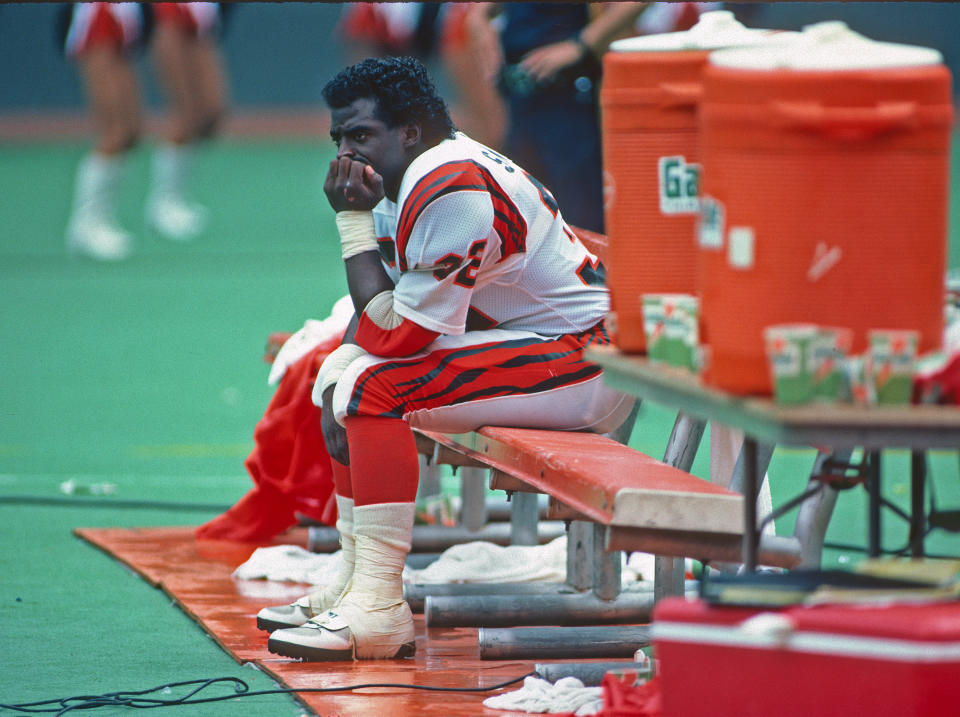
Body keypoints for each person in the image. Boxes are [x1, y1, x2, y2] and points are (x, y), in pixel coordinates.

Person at [257, 56, 634, 661]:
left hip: (586, 360)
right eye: (339, 139)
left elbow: (398, 337)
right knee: (343, 375)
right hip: (540, 346)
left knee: (371, 387)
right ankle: (358, 581)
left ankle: (379, 604)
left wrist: (351, 224)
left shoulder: (450, 185)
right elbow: (381, 313)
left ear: (408, 131)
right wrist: (338, 373)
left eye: (360, 135)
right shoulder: (408, 171)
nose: (347, 155)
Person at [62, 2, 228, 261]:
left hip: (127, 19)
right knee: (117, 131)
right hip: (100, 17)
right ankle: (86, 224)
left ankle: (162, 203)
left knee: (132, 130)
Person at [465, 2, 647, 233]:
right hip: (520, 102)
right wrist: (479, 18)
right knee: (525, 227)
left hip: (567, 103)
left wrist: (581, 44)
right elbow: (483, 11)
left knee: (582, 228)